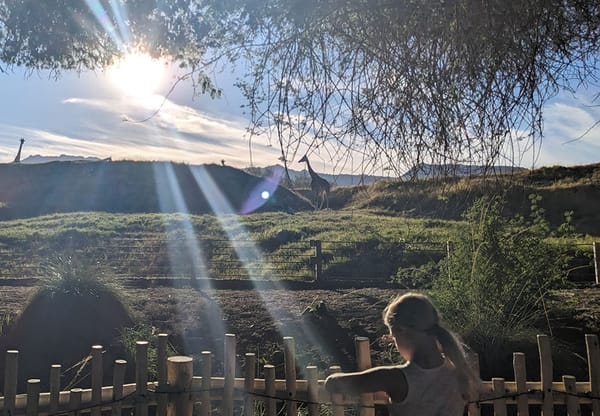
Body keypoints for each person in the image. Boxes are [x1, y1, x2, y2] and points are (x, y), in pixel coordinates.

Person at [324, 292, 479, 415]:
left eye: (394, 337)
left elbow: (333, 383)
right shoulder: (460, 373)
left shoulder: (395, 379)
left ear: (402, 331)